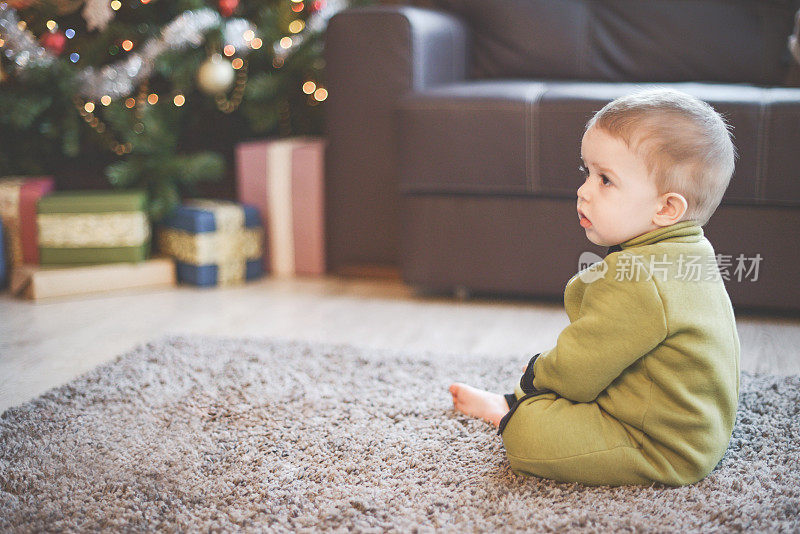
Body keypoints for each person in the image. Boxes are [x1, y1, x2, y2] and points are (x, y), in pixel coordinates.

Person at [449, 87, 741, 487]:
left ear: (666, 208)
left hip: (661, 445)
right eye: (586, 172)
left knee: (527, 435)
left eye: (605, 180)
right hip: (698, 429)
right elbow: (605, 348)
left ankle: (508, 411)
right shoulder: (692, 252)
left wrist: (536, 375)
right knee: (557, 389)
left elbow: (578, 370)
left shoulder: (636, 279)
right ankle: (512, 402)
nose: (584, 190)